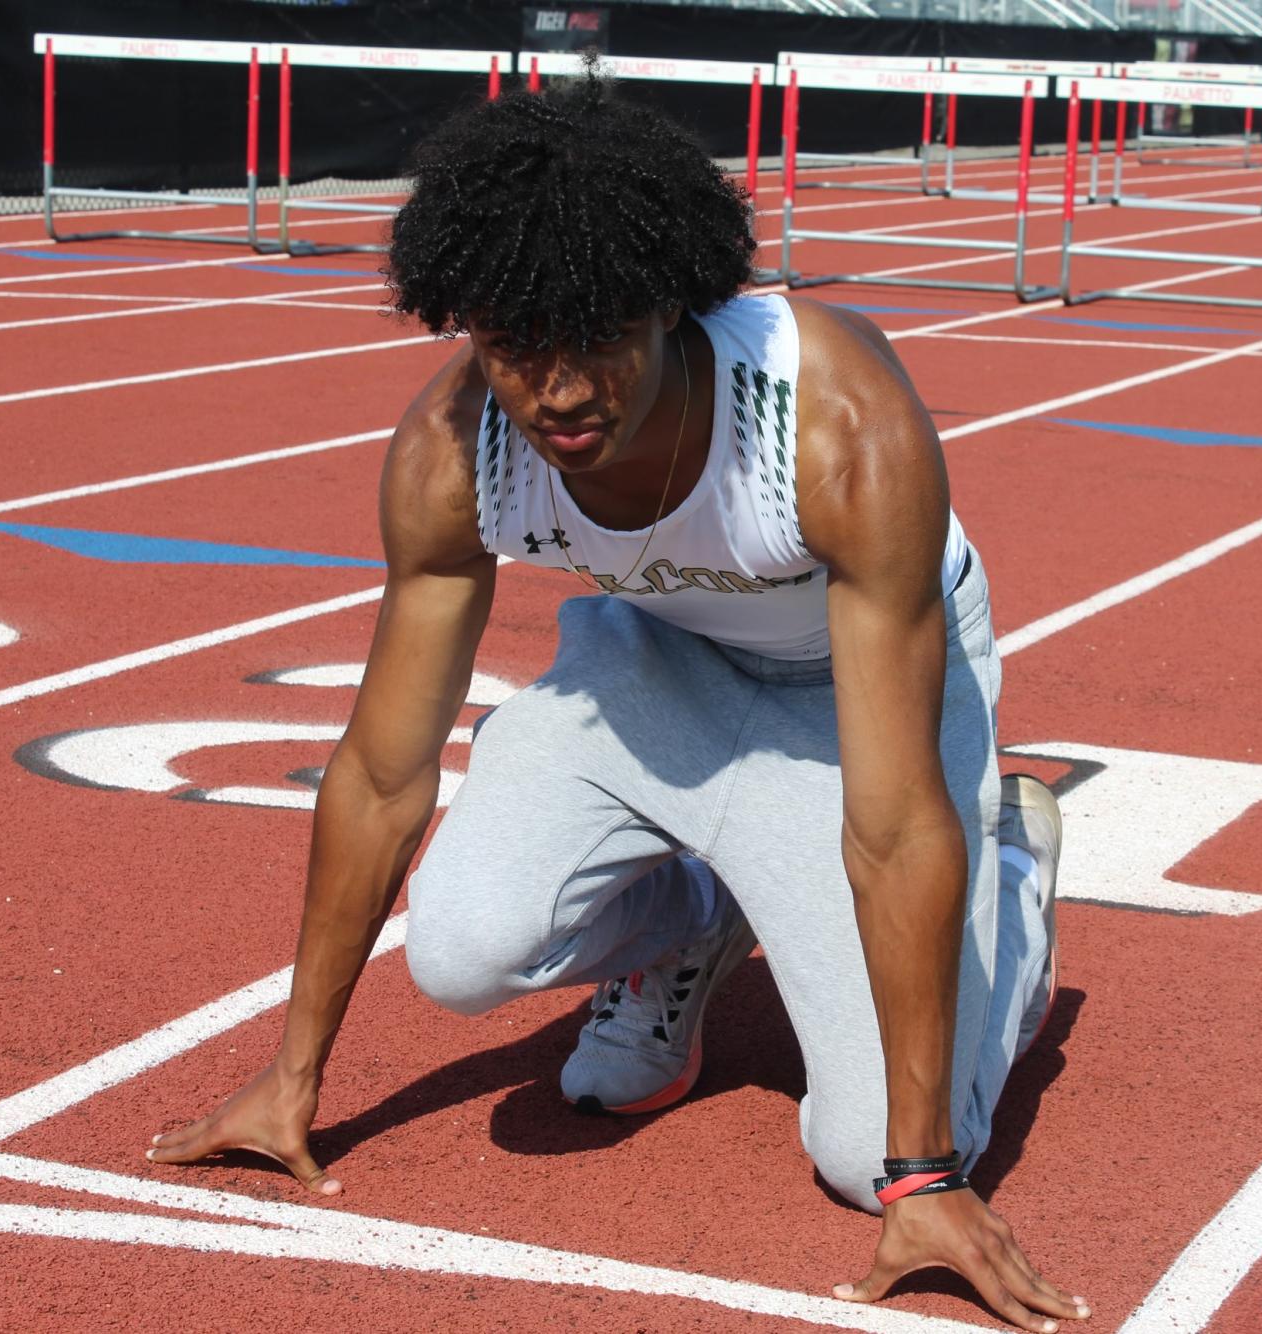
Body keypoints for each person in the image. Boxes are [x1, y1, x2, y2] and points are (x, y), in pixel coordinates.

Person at [146, 72, 1084, 1332]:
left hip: (847, 702)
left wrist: (926, 1174)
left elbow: (898, 821)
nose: (563, 392)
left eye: (600, 337)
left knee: (871, 1156)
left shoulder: (829, 422)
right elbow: (380, 774)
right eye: (515, 345)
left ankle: (1011, 890)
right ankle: (693, 911)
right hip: (657, 663)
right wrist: (290, 1073)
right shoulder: (453, 449)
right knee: (462, 945)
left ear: (673, 301)